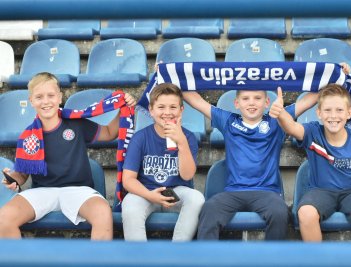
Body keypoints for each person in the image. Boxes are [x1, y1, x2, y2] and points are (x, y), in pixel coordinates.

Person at [0, 72, 135, 240]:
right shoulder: (28, 135)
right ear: (31, 101)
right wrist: (12, 179)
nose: (46, 101)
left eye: (51, 95)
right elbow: (22, 174)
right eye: (39, 97)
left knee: (102, 213)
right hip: (42, 191)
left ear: (59, 97)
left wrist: (123, 109)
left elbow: (108, 133)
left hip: (78, 190)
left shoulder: (75, 122)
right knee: (4, 217)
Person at [183, 84, 323, 240]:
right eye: (245, 98)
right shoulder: (228, 121)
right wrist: (169, 77)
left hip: (267, 192)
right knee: (209, 209)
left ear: (267, 102)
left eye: (257, 98)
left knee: (280, 212)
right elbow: (196, 101)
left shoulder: (277, 120)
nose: (251, 103)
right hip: (233, 192)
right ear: (237, 103)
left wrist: (335, 77)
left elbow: (308, 101)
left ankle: (270, 260)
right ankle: (208, 261)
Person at [269, 84, 351, 242]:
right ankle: (318, 260)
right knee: (306, 213)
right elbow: (292, 127)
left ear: (349, 112)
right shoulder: (313, 132)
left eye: (339, 110)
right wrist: (281, 114)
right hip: (320, 192)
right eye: (327, 110)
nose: (333, 115)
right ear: (319, 113)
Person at [121, 83, 205, 241]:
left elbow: (187, 176)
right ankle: (137, 258)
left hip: (176, 191)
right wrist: (150, 195)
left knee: (197, 198)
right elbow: (128, 179)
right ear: (151, 110)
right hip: (146, 192)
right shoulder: (140, 138)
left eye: (173, 107)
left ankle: (177, 254)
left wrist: (181, 143)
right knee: (130, 204)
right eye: (161, 107)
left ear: (181, 110)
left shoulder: (188, 137)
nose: (167, 112)